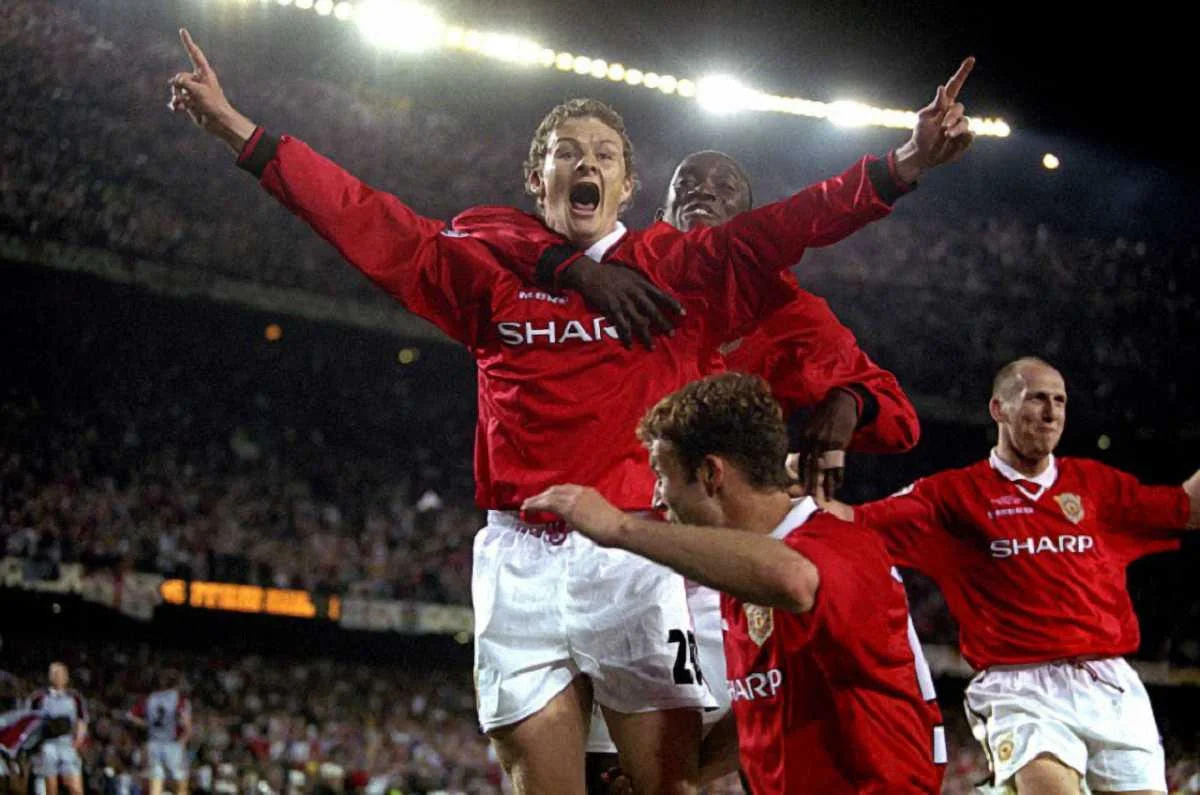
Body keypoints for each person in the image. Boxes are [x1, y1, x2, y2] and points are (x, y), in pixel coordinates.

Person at [169, 29, 974, 793]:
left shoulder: (677, 270)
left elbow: (787, 225)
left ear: (627, 187)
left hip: (632, 555)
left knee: (668, 782)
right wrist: (239, 129)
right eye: (566, 152)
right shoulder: (488, 272)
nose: (585, 162)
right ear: (537, 177)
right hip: (515, 559)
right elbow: (366, 217)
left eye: (605, 154)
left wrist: (905, 163)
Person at [583, 149, 931, 792]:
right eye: (687, 182)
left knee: (740, 749)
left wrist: (849, 401)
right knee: (611, 774)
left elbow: (900, 420)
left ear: (750, 221)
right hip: (619, 553)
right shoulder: (620, 283)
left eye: (725, 186)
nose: (704, 190)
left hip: (724, 563)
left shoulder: (787, 312)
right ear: (660, 210)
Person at [524, 372, 944, 794]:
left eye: (662, 475)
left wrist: (618, 529)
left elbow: (796, 580)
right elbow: (762, 704)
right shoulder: (740, 572)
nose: (656, 498)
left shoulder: (843, 546)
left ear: (710, 473)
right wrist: (687, 775)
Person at [825, 357, 1200, 795]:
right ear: (998, 409)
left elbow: (1186, 508)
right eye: (1037, 398)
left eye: (1060, 400)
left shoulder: (1096, 485)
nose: (1051, 412)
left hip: (1109, 682)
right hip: (1020, 687)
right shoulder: (952, 495)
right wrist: (789, 489)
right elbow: (851, 523)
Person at [27, 663, 87, 795]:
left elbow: (81, 720)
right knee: (51, 788)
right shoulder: (39, 697)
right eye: (55, 674)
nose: (59, 677)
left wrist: (79, 740)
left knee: (75, 788)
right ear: (50, 677)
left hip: (68, 744)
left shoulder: (75, 697)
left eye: (62, 674)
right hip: (48, 745)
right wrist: (35, 745)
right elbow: (29, 722)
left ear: (67, 677)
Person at [128, 671, 192, 795]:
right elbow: (186, 723)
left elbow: (131, 716)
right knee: (180, 783)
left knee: (155, 782)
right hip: (172, 743)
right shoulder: (180, 699)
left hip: (154, 743)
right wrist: (183, 741)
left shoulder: (149, 698)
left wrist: (147, 723)